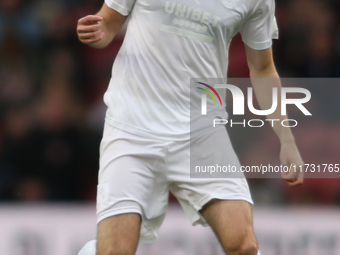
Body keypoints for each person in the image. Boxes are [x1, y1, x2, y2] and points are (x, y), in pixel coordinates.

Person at [76, 0, 304, 254]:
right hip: (133, 126)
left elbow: (262, 68)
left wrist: (287, 140)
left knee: (244, 246)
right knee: (115, 251)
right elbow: (108, 22)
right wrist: (97, 32)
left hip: (201, 130)